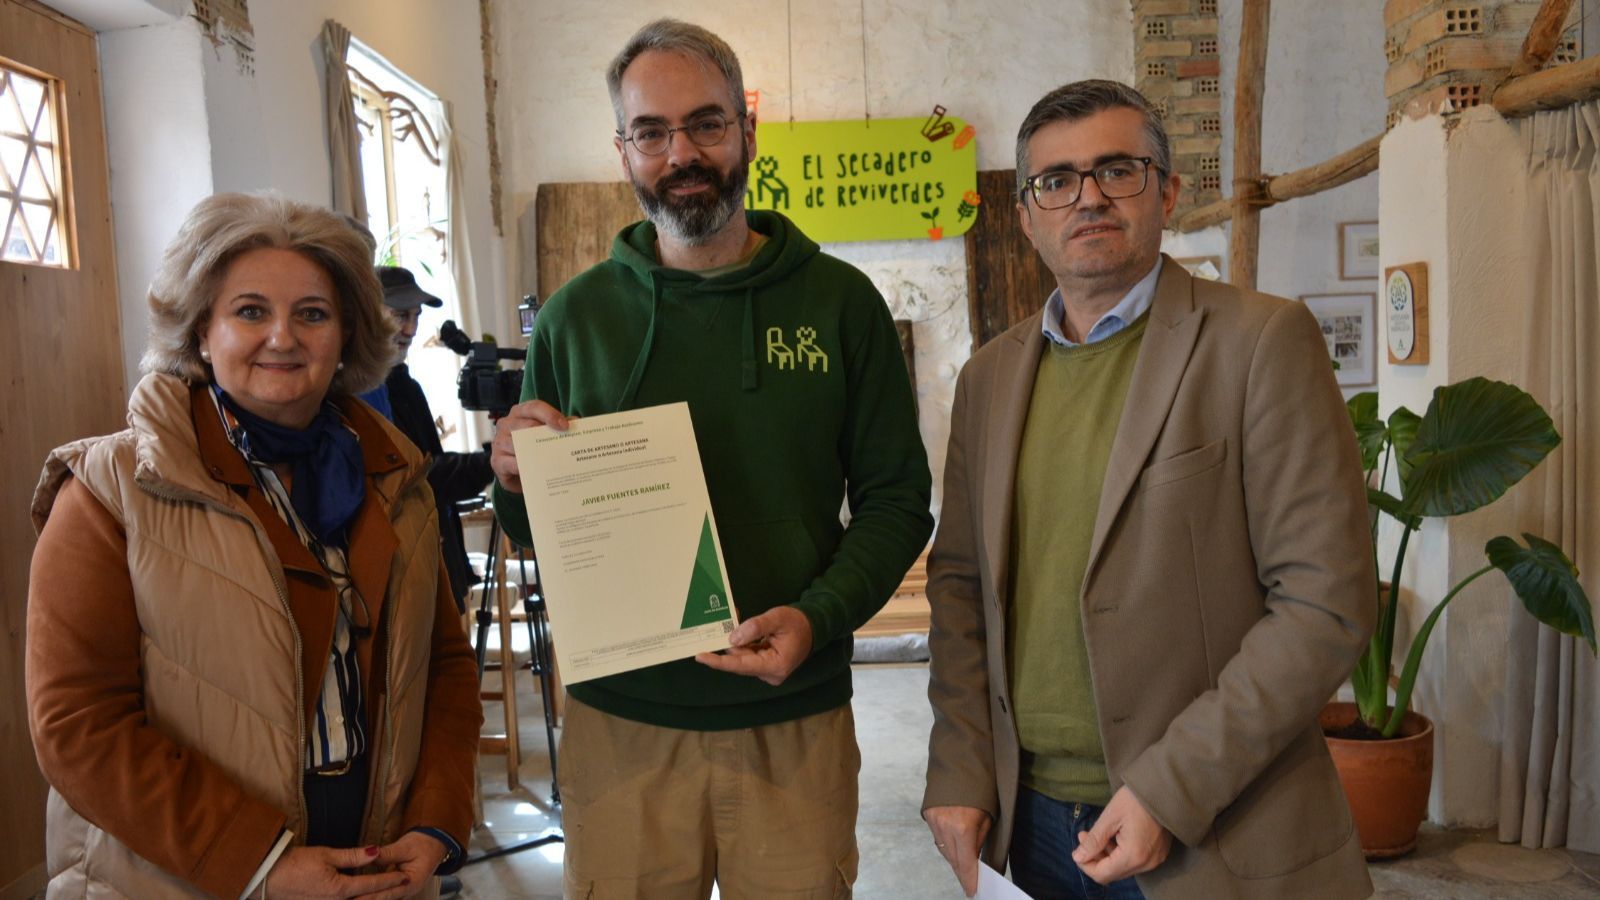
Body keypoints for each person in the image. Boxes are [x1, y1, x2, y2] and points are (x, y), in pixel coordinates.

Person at [488, 18, 932, 898]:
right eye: (651, 132)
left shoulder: (842, 305)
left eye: (706, 124)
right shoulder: (577, 319)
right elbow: (538, 528)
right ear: (623, 152)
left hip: (793, 720)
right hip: (620, 728)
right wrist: (513, 476)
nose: (680, 152)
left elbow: (896, 500)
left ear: (747, 132)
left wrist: (819, 617)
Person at [921, 80, 1377, 900]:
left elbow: (1324, 603)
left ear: (1166, 191)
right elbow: (958, 588)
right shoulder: (989, 378)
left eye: (1117, 170)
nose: (1086, 198)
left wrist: (1171, 788)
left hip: (1217, 824)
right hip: (1031, 826)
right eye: (1056, 181)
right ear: (1027, 216)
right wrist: (958, 763)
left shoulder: (1259, 342)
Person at [27, 192, 482, 899]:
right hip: (184, 876)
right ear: (201, 332)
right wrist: (257, 863)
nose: (283, 337)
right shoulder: (107, 490)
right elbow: (78, 726)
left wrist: (434, 825)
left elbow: (445, 668)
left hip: (376, 863)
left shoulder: (398, 481)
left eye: (312, 313)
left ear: (346, 336)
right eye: (249, 311)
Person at [367, 265, 495, 612]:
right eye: (399, 315)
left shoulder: (406, 386)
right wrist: (492, 461)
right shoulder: (364, 394)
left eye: (415, 316)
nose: (409, 328)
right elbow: (419, 476)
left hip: (438, 559)